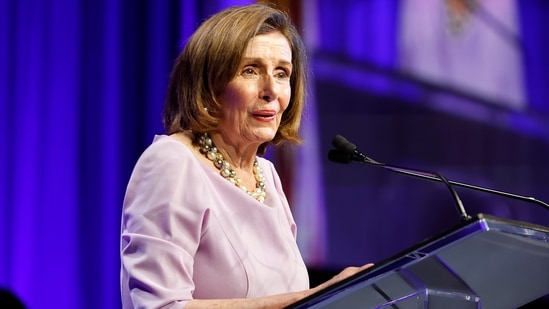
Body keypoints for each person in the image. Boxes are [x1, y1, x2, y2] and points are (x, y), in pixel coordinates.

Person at [120, 4, 372, 308]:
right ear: (210, 84)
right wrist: (314, 298)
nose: (271, 90)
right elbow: (159, 306)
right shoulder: (172, 163)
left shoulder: (266, 176)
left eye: (282, 73)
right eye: (250, 70)